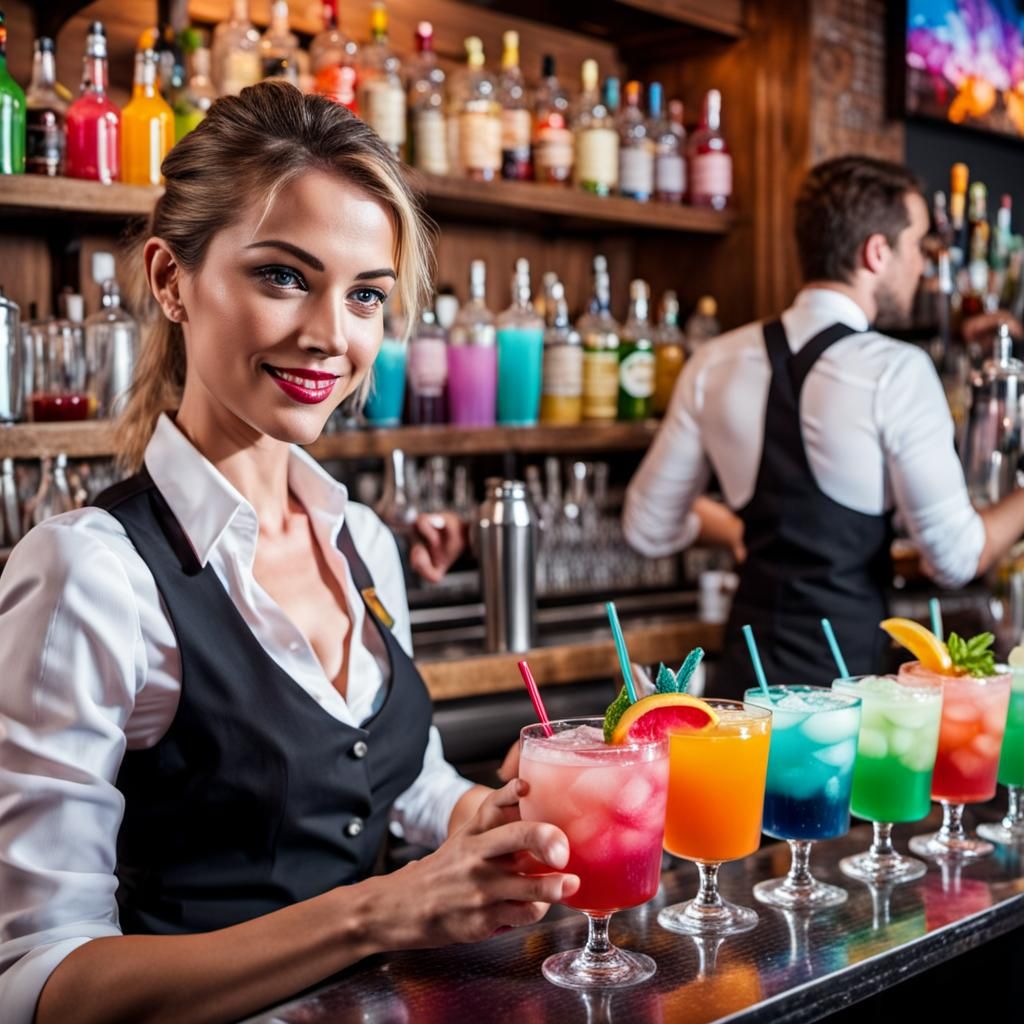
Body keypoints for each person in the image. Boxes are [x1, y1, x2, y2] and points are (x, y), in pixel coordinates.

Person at [0, 82, 578, 1024]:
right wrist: (375, 915)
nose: (330, 335)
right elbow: (41, 986)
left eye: (364, 296)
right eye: (282, 276)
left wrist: (476, 815)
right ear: (170, 279)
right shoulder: (89, 573)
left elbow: (400, 779)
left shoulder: (362, 542)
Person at [623, 155, 1024, 696]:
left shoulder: (713, 363)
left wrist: (743, 531)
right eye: (917, 247)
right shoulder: (896, 370)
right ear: (876, 252)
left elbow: (648, 527)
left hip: (744, 694)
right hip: (847, 699)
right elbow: (954, 557)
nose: (922, 267)